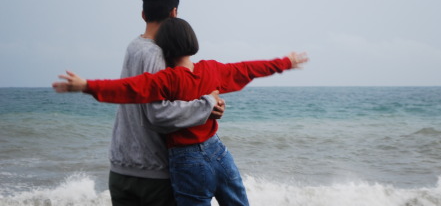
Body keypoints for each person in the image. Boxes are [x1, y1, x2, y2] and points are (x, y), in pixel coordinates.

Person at [53, 17, 309, 206]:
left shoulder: (167, 79)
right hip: (218, 152)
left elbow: (130, 88)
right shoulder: (212, 69)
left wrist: (87, 86)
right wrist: (284, 63)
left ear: (164, 49)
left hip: (186, 161)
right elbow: (248, 68)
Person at [105, 0, 225, 206]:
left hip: (120, 170)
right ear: (174, 13)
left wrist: (207, 105)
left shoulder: (134, 46)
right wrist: (207, 104)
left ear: (143, 14)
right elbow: (157, 114)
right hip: (152, 174)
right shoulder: (158, 54)